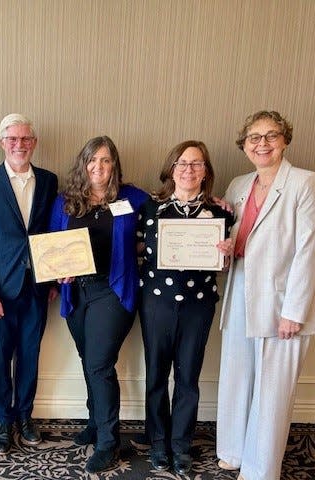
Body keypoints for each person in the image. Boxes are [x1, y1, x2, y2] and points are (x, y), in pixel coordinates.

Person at [216, 111, 315, 480]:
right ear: (244, 146)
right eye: (253, 138)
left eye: (270, 136)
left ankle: (261, 468)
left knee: (272, 391)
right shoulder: (239, 184)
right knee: (237, 377)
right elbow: (239, 234)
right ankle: (232, 450)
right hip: (242, 289)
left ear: (285, 140)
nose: (262, 144)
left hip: (282, 300)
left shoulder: (305, 183)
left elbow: (308, 251)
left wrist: (293, 311)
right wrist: (225, 243)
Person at [49, 136, 148, 473]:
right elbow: (52, 245)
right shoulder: (66, 201)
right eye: (92, 160)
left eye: (105, 160)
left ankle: (109, 442)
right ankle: (95, 420)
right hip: (76, 292)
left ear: (114, 165)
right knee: (87, 358)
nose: (98, 167)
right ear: (83, 163)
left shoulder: (133, 198)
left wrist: (215, 205)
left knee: (99, 364)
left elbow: (163, 223)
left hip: (113, 291)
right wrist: (58, 272)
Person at [137, 140, 233, 474]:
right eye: (182, 163)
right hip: (155, 304)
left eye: (196, 164)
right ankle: (158, 442)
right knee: (156, 374)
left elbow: (224, 267)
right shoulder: (150, 208)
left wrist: (227, 254)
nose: (188, 170)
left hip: (199, 305)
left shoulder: (221, 212)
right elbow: (133, 248)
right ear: (171, 169)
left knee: (188, 377)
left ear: (206, 171)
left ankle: (180, 445)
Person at [0, 113, 58, 455]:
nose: (19, 145)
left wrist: (52, 279)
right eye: (13, 139)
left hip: (37, 288)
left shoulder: (50, 181)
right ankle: (2, 421)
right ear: (2, 143)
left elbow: (53, 233)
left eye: (25, 139)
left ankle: (25, 415)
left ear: (33, 143)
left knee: (30, 356)